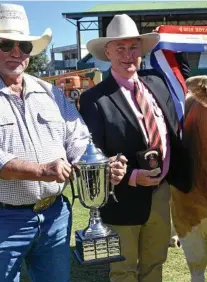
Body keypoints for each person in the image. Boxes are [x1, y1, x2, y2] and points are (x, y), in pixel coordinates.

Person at [0, 4, 127, 281]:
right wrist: (41, 170)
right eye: (6, 44)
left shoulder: (51, 93)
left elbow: (78, 138)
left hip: (55, 215)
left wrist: (100, 168)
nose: (16, 53)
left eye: (24, 46)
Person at [78, 14, 192, 282]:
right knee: (124, 269)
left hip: (161, 193)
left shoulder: (157, 83)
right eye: (120, 48)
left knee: (155, 263)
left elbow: (183, 73)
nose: (128, 55)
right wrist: (130, 177)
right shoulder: (94, 99)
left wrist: (176, 39)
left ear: (142, 51)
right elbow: (92, 152)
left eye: (133, 48)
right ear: (107, 52)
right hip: (122, 197)